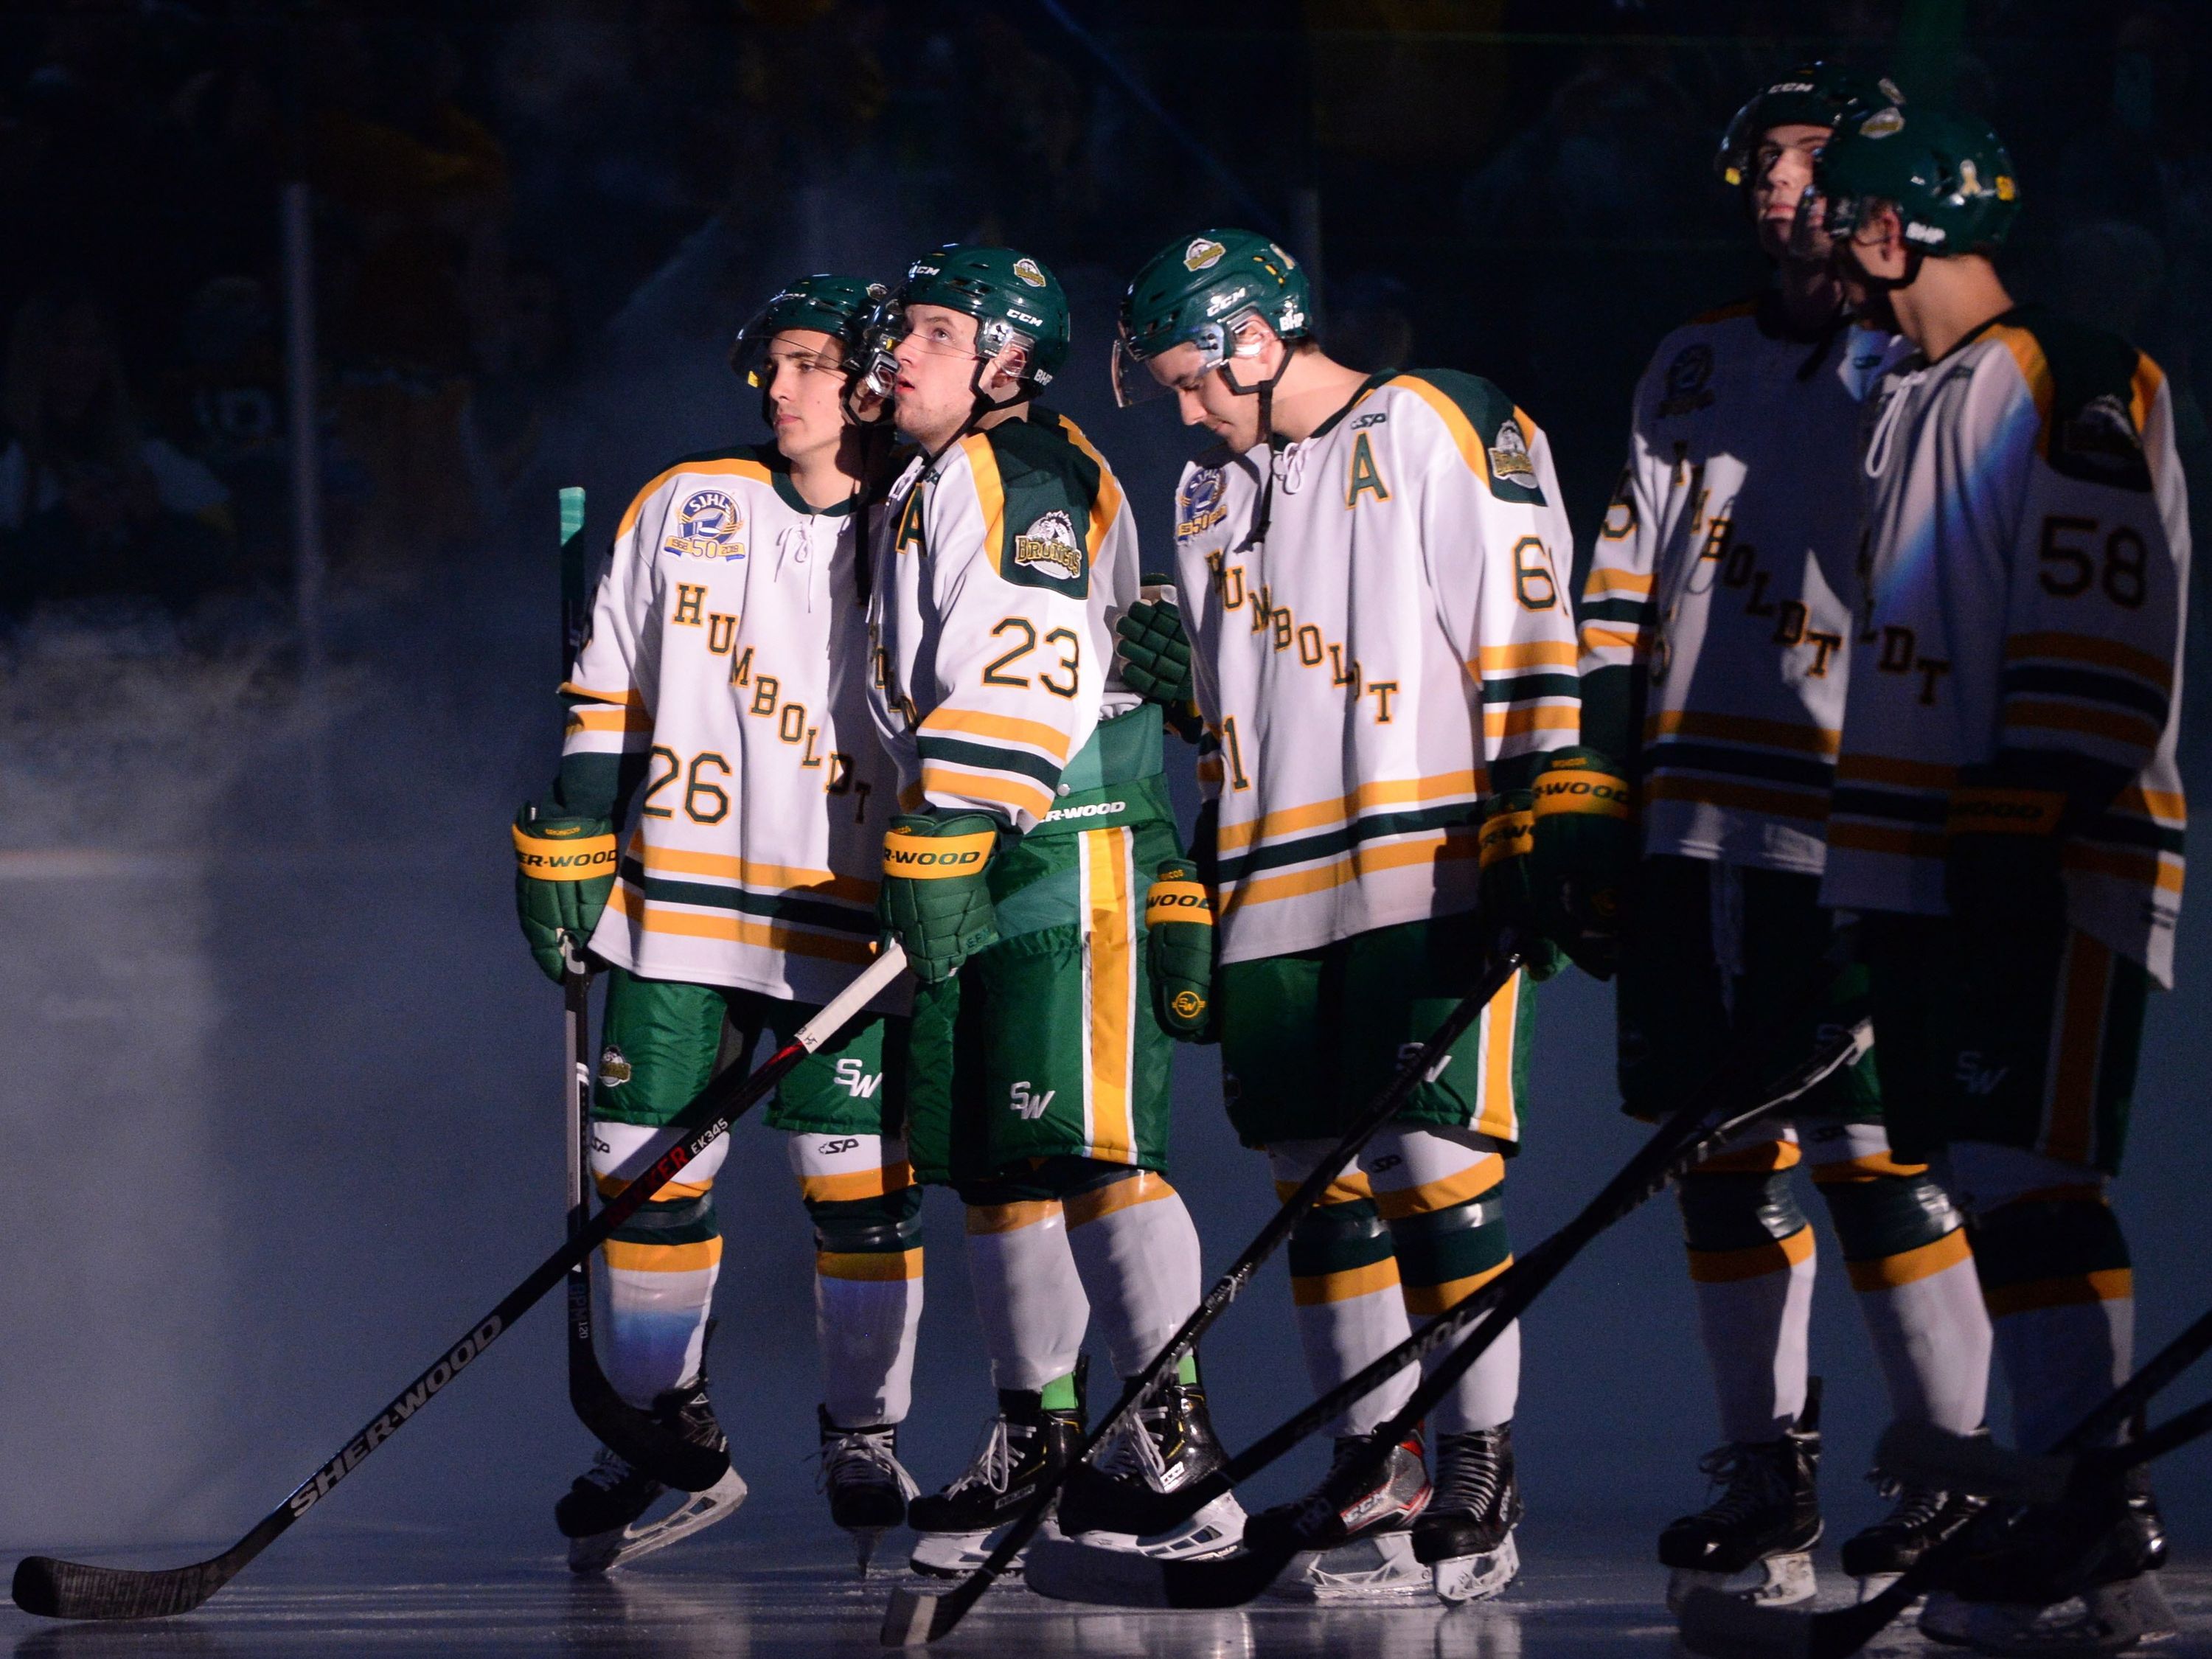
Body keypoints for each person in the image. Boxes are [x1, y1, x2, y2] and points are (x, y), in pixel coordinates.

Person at [1110, 226, 1599, 1603]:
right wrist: (1200, 844)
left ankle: (1482, 1465)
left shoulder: (1439, 418)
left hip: (1423, 860)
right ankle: (1373, 1467)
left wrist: (1540, 810)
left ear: (1257, 341)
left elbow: (1527, 627)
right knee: (1316, 1185)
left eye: (1194, 381)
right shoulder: (1210, 498)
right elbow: (1240, 718)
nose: (1188, 412)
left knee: (1435, 1171)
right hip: (1278, 878)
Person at [1578, 65, 1997, 1611]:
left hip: (1852, 825)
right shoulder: (1689, 363)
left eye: (1809, 155)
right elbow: (1619, 592)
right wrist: (1593, 797)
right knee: (1715, 1159)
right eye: (1760, 156)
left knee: (1876, 1158)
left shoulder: (1929, 373)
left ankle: (1949, 1471)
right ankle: (1769, 1470)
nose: (1776, 182)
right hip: (1695, 827)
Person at [1816, 107, 2186, 1652]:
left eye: (1852, 219)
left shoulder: (2071, 370)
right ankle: (2077, 1523)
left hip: (2037, 844)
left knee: (2037, 1175)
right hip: (1921, 861)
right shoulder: (1918, 393)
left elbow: (2109, 593)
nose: (1833, 244)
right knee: (1985, 1172)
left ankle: (2094, 1512)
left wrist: (2036, 793)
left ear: (1901, 230)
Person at [514, 274, 920, 1570]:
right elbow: (606, 684)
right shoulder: (684, 502)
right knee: (639, 1179)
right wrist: (570, 825)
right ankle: (652, 1427)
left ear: (866, 378)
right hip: (676, 908)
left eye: (810, 363)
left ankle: (865, 1432)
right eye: (774, 364)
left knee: (853, 1188)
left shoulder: (928, 521)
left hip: (845, 918)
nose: (781, 387)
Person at [860, 245, 1237, 1577]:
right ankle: (1043, 1440)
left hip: (1060, 845)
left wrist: (952, 828)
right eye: (902, 325)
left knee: (1092, 1150)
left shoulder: (1016, 470)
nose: (900, 350)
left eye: (938, 332)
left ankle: (1178, 1453)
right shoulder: (930, 474)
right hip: (985, 850)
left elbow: (1027, 673)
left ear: (1006, 361)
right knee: (1002, 1167)